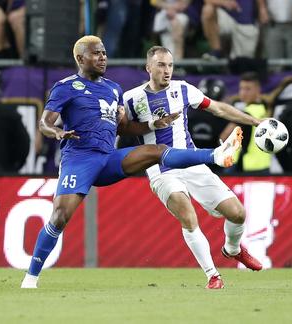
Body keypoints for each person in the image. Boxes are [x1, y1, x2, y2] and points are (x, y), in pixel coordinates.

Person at [20, 36, 244, 289]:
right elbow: (44, 123)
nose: (103, 57)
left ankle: (214, 155)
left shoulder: (113, 89)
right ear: (80, 59)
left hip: (107, 158)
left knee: (156, 150)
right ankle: (31, 278)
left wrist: (151, 124)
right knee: (60, 217)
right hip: (79, 160)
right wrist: (56, 132)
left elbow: (123, 128)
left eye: (104, 52)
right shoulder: (66, 87)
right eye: (96, 54)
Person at [123, 46, 263, 290]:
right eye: (160, 65)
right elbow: (119, 128)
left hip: (191, 163)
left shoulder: (183, 89)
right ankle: (213, 275)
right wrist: (150, 125)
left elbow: (218, 108)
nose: (167, 71)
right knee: (188, 215)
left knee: (238, 214)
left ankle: (232, 249)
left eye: (170, 65)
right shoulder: (131, 98)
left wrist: (255, 121)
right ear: (148, 68)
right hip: (160, 169)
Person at [220, 71, 271, 173]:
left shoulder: (245, 114)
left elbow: (224, 137)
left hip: (245, 167)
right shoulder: (265, 109)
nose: (243, 93)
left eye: (248, 89)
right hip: (264, 165)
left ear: (258, 90)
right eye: (241, 88)